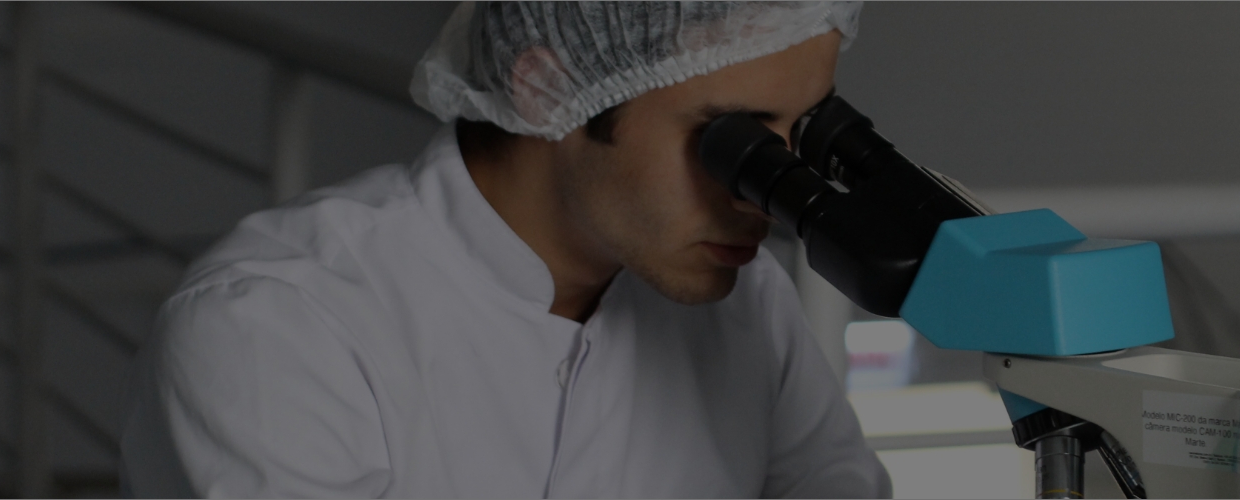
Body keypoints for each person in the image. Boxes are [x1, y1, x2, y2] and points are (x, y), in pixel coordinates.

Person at [118, 2, 890, 497]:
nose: (763, 193)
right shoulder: (280, 326)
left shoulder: (749, 303)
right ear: (548, 91)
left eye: (801, 133)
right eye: (732, 140)